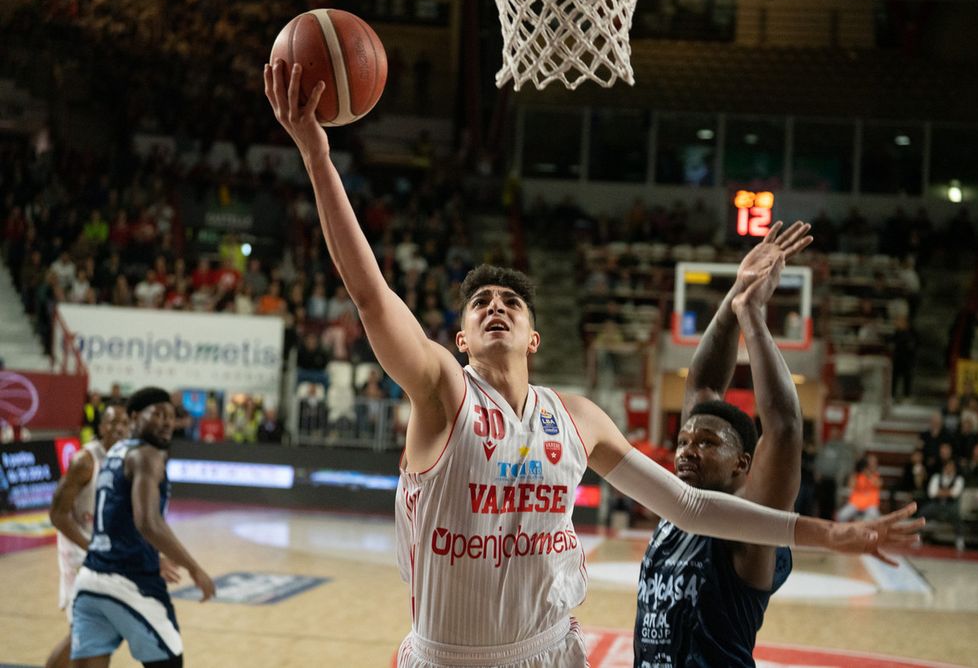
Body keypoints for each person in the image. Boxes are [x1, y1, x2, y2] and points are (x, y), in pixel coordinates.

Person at [265, 61, 922, 668]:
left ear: (534, 338)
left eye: (511, 303)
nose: (496, 307)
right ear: (460, 339)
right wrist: (318, 156)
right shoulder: (441, 394)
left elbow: (692, 506)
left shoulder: (577, 418)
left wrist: (831, 535)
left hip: (551, 653)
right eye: (481, 304)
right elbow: (370, 294)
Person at [634, 224, 812, 666]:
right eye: (684, 440)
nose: (687, 450)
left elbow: (785, 427)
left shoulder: (749, 528)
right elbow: (704, 384)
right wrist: (737, 291)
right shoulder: (680, 508)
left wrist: (752, 315)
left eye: (707, 443)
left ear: (742, 464)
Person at [69, 387, 215, 667]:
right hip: (129, 582)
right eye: (157, 414)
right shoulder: (147, 456)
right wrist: (194, 567)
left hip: (90, 580)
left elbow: (122, 519)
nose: (166, 422)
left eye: (170, 416)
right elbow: (148, 523)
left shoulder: (115, 452)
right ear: (135, 416)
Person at [46, 406, 131, 668]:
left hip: (102, 556)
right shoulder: (85, 461)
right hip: (78, 554)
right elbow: (57, 515)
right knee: (84, 633)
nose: (119, 428)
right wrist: (92, 547)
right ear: (101, 428)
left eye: (124, 423)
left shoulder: (126, 460)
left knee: (97, 634)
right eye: (112, 423)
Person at [836, 454, 883, 522]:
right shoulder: (857, 475)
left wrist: (868, 474)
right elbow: (851, 485)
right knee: (841, 516)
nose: (871, 464)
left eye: (873, 463)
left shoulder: (876, 475)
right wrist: (857, 470)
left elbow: (878, 484)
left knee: (869, 519)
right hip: (855, 503)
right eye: (869, 463)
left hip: (871, 505)